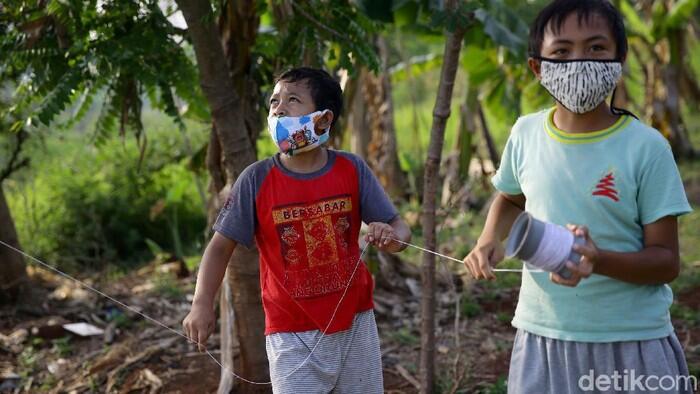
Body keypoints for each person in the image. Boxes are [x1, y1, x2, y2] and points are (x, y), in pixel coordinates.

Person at [463, 1, 694, 393]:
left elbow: (666, 261)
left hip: (631, 342)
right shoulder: (525, 134)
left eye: (596, 48)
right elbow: (510, 197)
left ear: (619, 59)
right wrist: (488, 239)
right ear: (538, 67)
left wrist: (598, 260)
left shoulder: (647, 147)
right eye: (562, 51)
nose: (579, 62)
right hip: (543, 338)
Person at [182, 67, 410, 393]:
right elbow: (219, 247)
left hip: (355, 321)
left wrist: (392, 239)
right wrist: (201, 303)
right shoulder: (256, 180)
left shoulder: (352, 169)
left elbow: (400, 228)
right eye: (274, 101)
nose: (279, 108)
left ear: (323, 119)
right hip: (290, 333)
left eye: (293, 100)